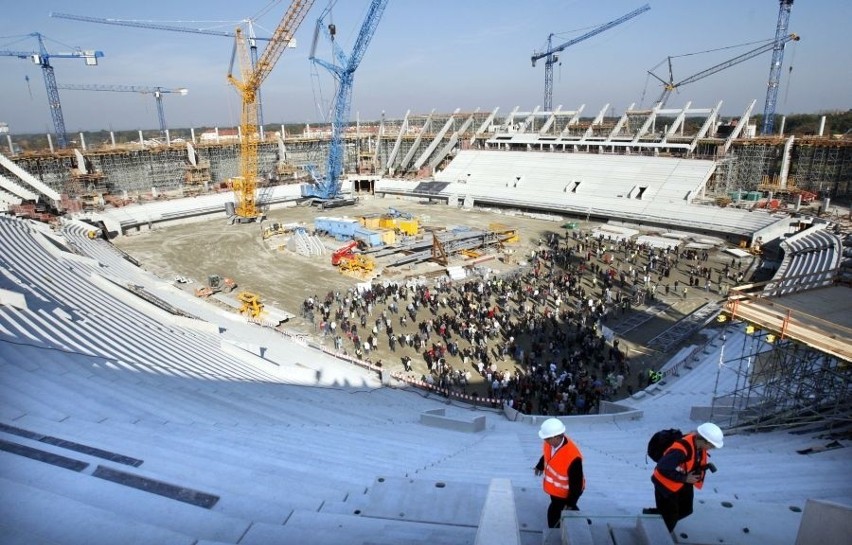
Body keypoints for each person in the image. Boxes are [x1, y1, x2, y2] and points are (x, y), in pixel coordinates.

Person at [651, 422, 724, 533]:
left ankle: (659, 517)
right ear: (704, 440)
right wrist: (685, 478)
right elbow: (662, 468)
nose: (712, 448)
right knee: (670, 518)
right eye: (712, 445)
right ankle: (659, 534)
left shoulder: (698, 446)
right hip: (665, 485)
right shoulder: (680, 450)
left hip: (681, 481)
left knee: (686, 509)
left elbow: (692, 461)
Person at [533, 418, 585, 528]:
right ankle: (581, 520)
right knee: (565, 508)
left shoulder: (573, 457)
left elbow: (576, 485)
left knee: (554, 513)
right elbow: (548, 456)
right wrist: (540, 465)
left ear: (556, 437)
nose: (545, 441)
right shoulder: (550, 443)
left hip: (566, 493)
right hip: (556, 491)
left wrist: (570, 502)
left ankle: (554, 532)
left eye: (547, 438)